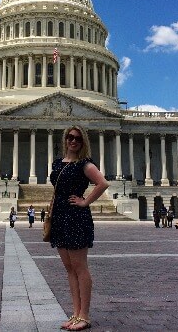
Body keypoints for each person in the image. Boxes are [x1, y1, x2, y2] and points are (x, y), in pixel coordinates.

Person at [49, 125, 109, 331]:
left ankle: (85, 315)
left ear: (83, 142)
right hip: (60, 216)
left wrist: (85, 202)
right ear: (65, 140)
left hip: (76, 216)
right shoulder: (58, 163)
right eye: (70, 137)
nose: (73, 141)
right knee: (69, 269)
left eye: (77, 138)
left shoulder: (85, 164)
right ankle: (75, 314)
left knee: (80, 267)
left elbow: (102, 183)